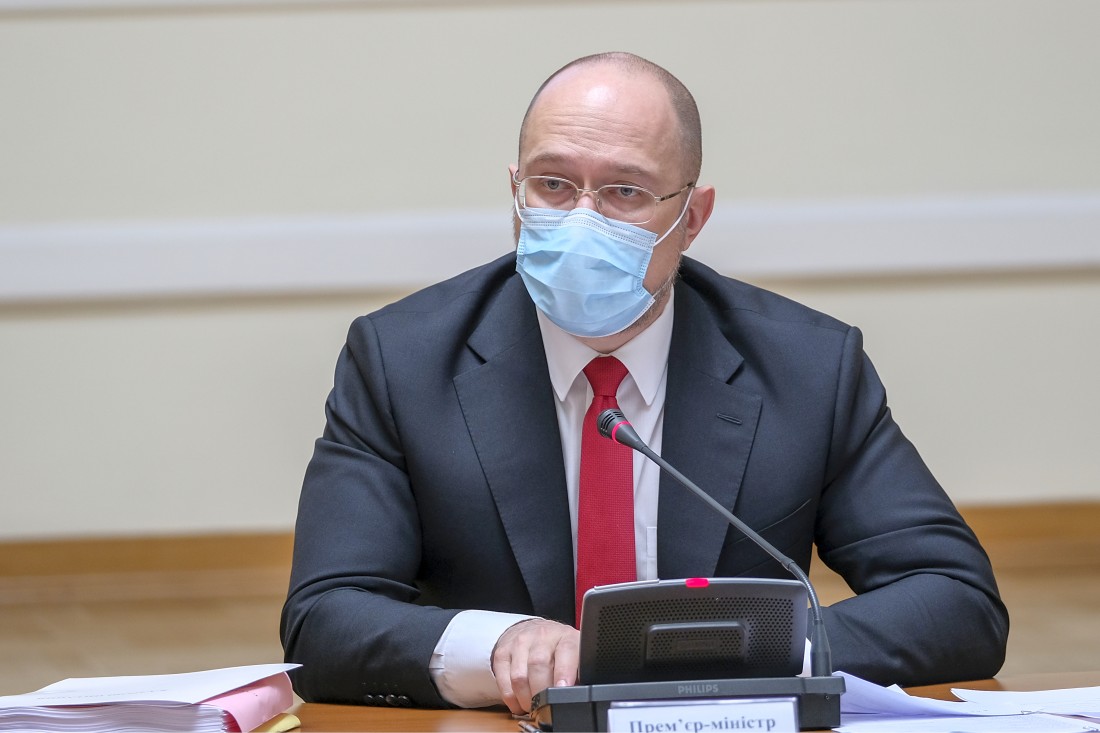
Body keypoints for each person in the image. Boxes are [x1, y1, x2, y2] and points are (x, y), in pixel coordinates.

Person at [280, 51, 1008, 715]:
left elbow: (957, 600)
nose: (581, 219)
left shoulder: (807, 366)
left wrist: (737, 653)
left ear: (691, 217)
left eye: (624, 191)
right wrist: (497, 644)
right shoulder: (402, 360)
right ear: (515, 191)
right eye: (553, 184)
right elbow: (324, 618)